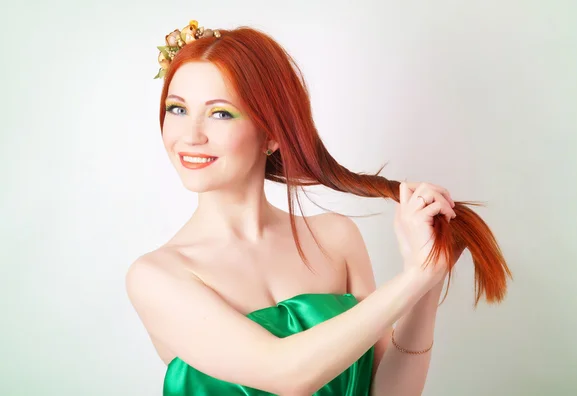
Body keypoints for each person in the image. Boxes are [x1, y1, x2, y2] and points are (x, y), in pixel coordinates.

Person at [126, 20, 512, 396]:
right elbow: (285, 374)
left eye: (220, 113)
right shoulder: (157, 276)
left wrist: (430, 278)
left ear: (273, 134)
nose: (190, 136)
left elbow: (389, 392)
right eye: (177, 109)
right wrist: (413, 278)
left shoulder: (336, 238)